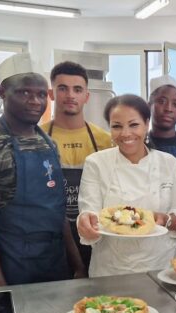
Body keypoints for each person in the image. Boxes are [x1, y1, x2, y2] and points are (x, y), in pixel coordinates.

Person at [0, 53, 84, 286]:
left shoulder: (48, 143)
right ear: (2, 93)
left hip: (55, 265)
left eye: (40, 94)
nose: (35, 101)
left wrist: (77, 266)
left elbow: (59, 215)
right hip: (11, 267)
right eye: (24, 92)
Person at [76, 94, 176, 277]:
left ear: (146, 124)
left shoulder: (169, 162)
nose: (126, 133)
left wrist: (163, 219)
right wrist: (86, 223)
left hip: (161, 265)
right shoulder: (96, 163)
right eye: (117, 126)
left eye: (134, 124)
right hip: (111, 268)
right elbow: (89, 211)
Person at [40, 61, 112, 273]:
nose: (70, 95)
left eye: (77, 89)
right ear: (51, 94)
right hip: (51, 236)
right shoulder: (38, 137)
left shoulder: (104, 139)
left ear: (86, 96)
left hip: (93, 233)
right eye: (63, 88)